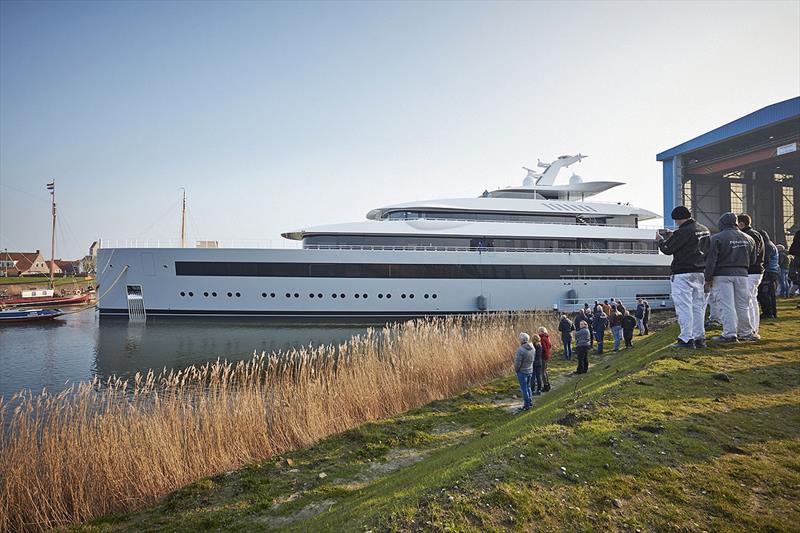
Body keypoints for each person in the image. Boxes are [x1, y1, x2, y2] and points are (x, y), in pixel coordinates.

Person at [656, 205, 711, 348]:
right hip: (700, 272)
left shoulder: (683, 232)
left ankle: (686, 339)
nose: (676, 223)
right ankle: (699, 338)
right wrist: (674, 235)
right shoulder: (704, 229)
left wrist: (660, 241)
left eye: (676, 220)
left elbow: (667, 249)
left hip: (683, 273)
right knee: (698, 306)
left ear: (679, 219)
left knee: (684, 306)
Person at [704, 212, 757, 342]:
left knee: (726, 305)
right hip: (742, 275)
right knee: (743, 305)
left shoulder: (716, 238)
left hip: (722, 275)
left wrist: (708, 277)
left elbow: (711, 260)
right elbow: (754, 260)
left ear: (721, 223)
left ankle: (729, 334)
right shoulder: (748, 238)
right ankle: (746, 333)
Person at [736, 214, 765, 338]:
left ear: (741, 224)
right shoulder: (755, 234)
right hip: (756, 271)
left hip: (751, 271)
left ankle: (751, 330)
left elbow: (753, 253)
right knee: (751, 299)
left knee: (747, 300)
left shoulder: (749, 235)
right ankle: (753, 329)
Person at [758, 230, 779, 318]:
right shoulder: (771, 244)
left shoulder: (766, 246)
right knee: (770, 293)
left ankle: (767, 313)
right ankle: (772, 312)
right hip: (773, 271)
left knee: (764, 293)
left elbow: (765, 260)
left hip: (768, 271)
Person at [514, 333, 535, 411]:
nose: (519, 340)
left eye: (519, 338)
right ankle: (530, 402)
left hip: (522, 371)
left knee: (524, 388)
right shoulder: (532, 347)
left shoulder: (521, 350)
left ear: (522, 340)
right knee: (528, 387)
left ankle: (526, 405)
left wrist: (516, 370)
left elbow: (517, 363)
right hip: (530, 369)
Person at [538, 327, 552, 392]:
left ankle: (545, 385)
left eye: (539, 331)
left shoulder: (542, 339)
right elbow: (550, 346)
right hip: (547, 355)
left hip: (543, 356)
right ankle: (548, 384)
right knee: (545, 370)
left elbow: (543, 348)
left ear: (542, 332)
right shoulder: (547, 337)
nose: (538, 333)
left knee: (542, 371)